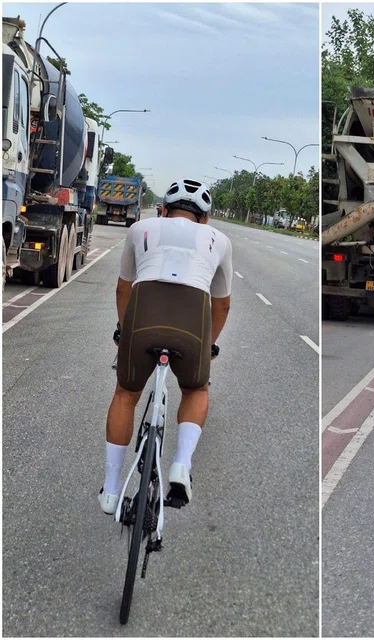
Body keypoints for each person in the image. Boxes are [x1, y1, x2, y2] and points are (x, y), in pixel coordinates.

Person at [99, 179, 233, 515]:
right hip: (193, 324)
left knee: (125, 395)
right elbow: (222, 306)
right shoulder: (220, 241)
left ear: (163, 210)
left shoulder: (140, 228)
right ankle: (181, 465)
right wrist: (209, 346)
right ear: (205, 219)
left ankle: (112, 491)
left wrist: (125, 331)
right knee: (196, 390)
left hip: (143, 315)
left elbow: (122, 290)